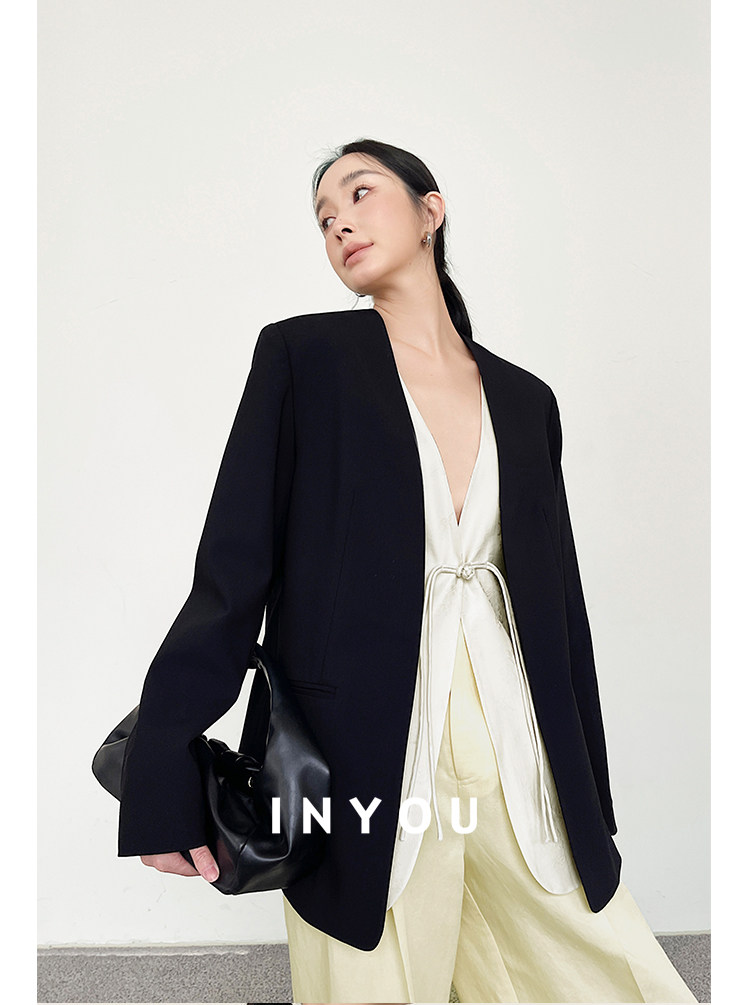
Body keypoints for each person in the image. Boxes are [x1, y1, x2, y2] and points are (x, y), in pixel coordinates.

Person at [117, 138, 699, 1004]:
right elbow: (231, 574)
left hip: (517, 745)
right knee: (372, 979)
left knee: (610, 975)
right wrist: (160, 771)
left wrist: (592, 798)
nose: (338, 223)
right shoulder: (303, 359)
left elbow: (562, 616)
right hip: (356, 754)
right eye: (323, 217)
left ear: (432, 211)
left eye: (359, 194)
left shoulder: (527, 400)